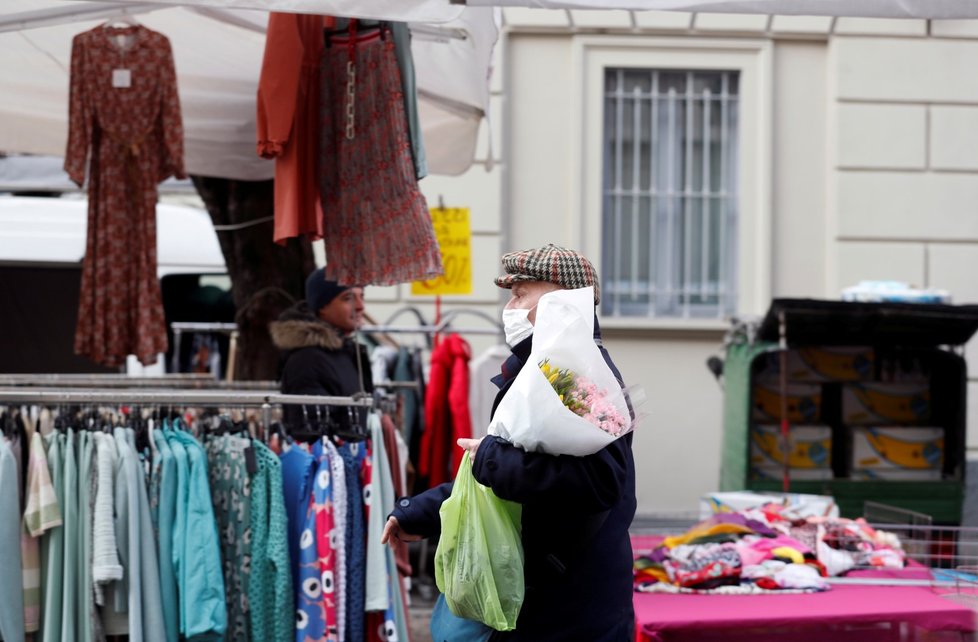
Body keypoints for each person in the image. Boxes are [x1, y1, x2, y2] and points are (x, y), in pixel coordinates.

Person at [382, 244, 637, 641]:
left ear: (561, 299)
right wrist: (421, 511)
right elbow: (507, 475)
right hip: (552, 601)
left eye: (521, 294)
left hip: (569, 612)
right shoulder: (541, 367)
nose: (510, 307)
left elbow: (599, 481)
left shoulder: (574, 375)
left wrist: (489, 457)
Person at [270, 267, 373, 428]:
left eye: (362, 297)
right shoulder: (307, 360)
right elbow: (310, 430)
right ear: (322, 307)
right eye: (348, 298)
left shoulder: (344, 352)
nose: (360, 306)